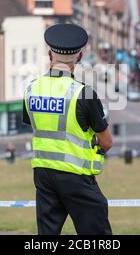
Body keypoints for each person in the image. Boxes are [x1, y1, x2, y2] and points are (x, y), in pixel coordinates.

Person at [22, 23, 113, 235]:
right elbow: (107, 142)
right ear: (80, 57)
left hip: (43, 173)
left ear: (49, 55)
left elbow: (39, 128)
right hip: (76, 176)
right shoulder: (84, 94)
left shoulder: (31, 89)